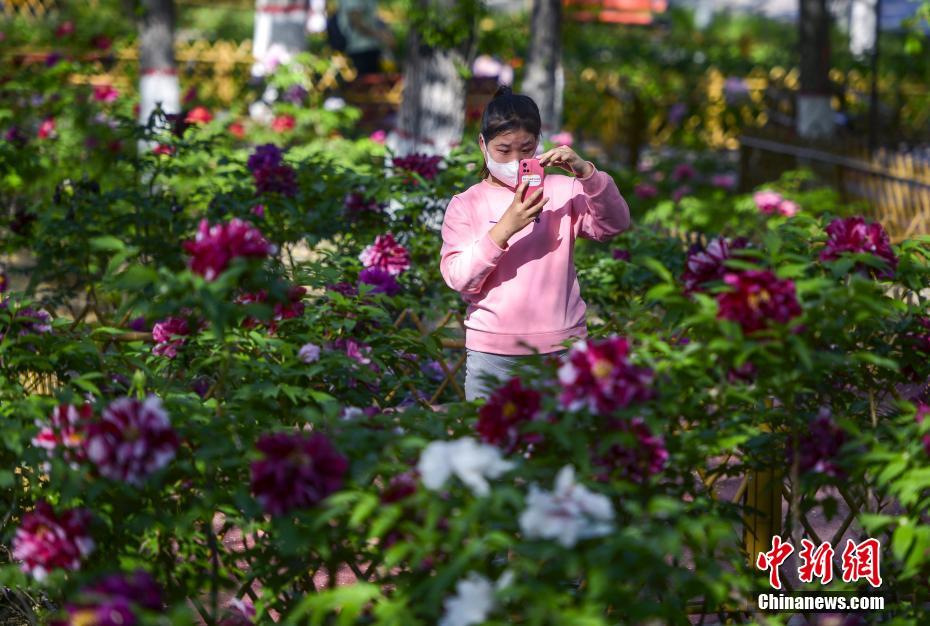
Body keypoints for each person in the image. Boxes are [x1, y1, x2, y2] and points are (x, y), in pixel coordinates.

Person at [439, 86, 632, 402]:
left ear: (541, 142)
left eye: (526, 149)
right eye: (504, 150)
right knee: (493, 447)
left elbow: (615, 224)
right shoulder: (466, 204)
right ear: (482, 145)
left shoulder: (562, 190)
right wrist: (504, 229)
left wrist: (587, 174)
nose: (516, 161)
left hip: (562, 348)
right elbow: (459, 278)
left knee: (560, 447)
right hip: (494, 353)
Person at [336, 0, 394, 76]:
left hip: (371, 47)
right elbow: (356, 21)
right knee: (367, 83)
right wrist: (380, 35)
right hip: (360, 49)